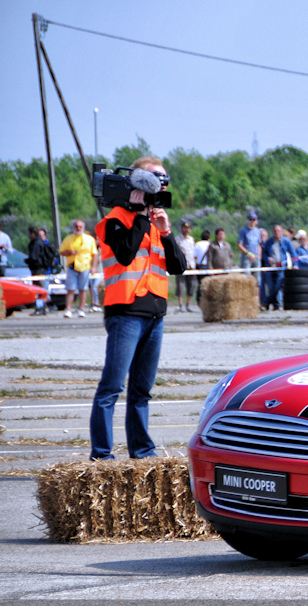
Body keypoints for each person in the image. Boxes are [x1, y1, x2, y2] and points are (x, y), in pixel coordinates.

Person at [89, 155, 187, 460]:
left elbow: (179, 267)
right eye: (155, 179)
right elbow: (126, 254)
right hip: (126, 313)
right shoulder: (115, 219)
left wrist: (166, 232)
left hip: (155, 314)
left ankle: (142, 452)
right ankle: (102, 456)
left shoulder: (157, 223)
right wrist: (141, 216)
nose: (161, 185)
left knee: (141, 391)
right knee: (112, 387)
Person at [58, 219, 99, 318]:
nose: (78, 228)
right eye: (76, 226)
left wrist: (93, 267)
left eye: (80, 226)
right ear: (73, 227)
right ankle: (68, 309)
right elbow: (62, 251)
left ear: (83, 227)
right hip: (72, 266)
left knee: (83, 289)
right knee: (70, 289)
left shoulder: (89, 239)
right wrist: (70, 252)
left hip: (85, 267)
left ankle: (81, 310)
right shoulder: (68, 238)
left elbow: (94, 254)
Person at [27, 227, 58, 315]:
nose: (29, 235)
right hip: (40, 269)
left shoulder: (36, 243)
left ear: (33, 234)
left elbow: (34, 257)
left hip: (38, 269)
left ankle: (42, 307)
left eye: (30, 233)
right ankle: (44, 307)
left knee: (39, 290)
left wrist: (27, 261)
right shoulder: (40, 242)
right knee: (40, 289)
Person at [262, 224, 292, 310]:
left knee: (278, 286)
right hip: (271, 267)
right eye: (275, 231)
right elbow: (264, 254)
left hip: (281, 267)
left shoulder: (286, 241)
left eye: (278, 231)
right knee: (271, 286)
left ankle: (267, 302)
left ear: (281, 231)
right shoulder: (269, 242)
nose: (277, 233)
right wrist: (268, 258)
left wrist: (295, 264)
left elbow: (293, 253)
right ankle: (276, 305)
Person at [174, 220, 196, 312]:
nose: (186, 230)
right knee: (180, 285)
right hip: (181, 265)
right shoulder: (177, 239)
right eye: (184, 228)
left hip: (191, 265)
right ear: (181, 229)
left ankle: (188, 304)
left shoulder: (191, 239)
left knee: (191, 284)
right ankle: (180, 304)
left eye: (187, 228)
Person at [237, 212, 262, 286]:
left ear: (256, 221)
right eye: (251, 220)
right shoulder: (243, 231)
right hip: (247, 256)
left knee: (257, 278)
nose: (252, 221)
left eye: (254, 220)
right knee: (246, 276)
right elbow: (239, 245)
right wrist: (249, 253)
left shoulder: (258, 231)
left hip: (256, 256)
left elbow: (259, 244)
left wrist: (258, 255)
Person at [193, 229, 211, 304]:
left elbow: (194, 256)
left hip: (200, 266)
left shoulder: (197, 244)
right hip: (208, 266)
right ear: (209, 237)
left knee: (200, 284)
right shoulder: (210, 244)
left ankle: (199, 300)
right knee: (208, 283)